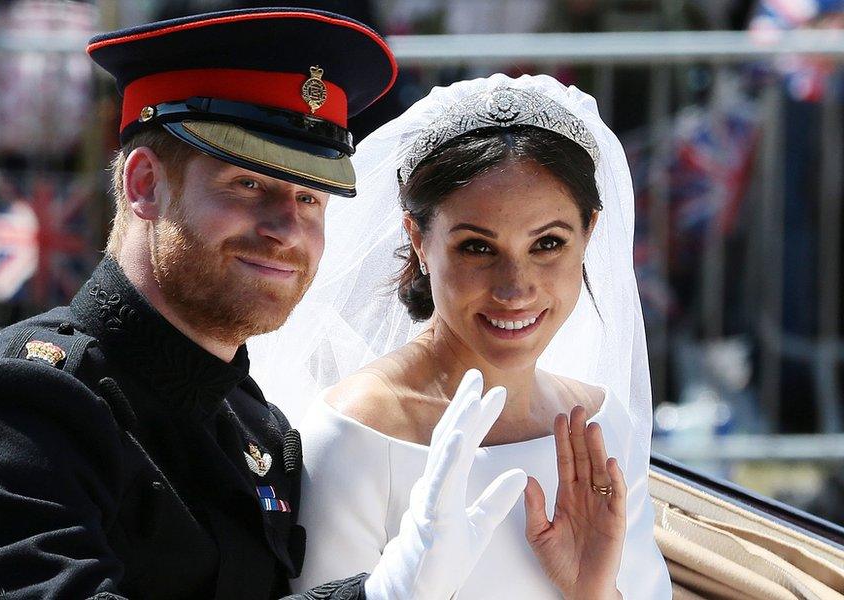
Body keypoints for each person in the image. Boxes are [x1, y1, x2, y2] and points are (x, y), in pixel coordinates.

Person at [0, 10, 530, 599]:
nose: (287, 228)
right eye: (249, 184)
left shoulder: (255, 428)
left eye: (309, 199)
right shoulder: (9, 413)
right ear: (143, 184)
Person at [249, 73, 673, 598]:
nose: (515, 288)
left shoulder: (599, 425)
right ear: (419, 241)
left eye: (547, 244)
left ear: (589, 231)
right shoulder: (357, 434)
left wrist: (591, 591)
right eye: (477, 247)